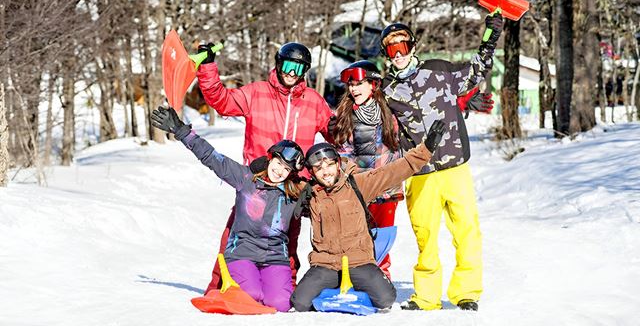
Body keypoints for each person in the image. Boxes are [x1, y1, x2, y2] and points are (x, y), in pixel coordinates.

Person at [378, 14, 503, 312]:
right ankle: (426, 297)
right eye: (391, 50)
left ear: (412, 46)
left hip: (454, 164)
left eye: (402, 46)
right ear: (386, 55)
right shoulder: (386, 91)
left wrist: (491, 36)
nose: (398, 54)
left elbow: (476, 71)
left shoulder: (438, 70)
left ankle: (466, 292)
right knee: (425, 235)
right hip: (419, 172)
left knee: (466, 230)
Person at [195, 41, 334, 294]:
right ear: (279, 63)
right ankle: (219, 288)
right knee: (235, 236)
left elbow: (337, 134)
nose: (292, 73)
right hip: (257, 182)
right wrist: (207, 68)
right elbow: (222, 101)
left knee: (287, 241)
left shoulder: (313, 102)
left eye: (299, 68)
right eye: (288, 65)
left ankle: (285, 290)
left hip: (292, 188)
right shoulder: (256, 93)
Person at [150, 106, 305, 312]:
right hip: (242, 254)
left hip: (275, 258)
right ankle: (246, 283)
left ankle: (268, 285)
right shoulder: (245, 179)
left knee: (281, 304)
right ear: (270, 158)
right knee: (250, 297)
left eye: (286, 169)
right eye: (278, 163)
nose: (279, 171)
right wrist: (181, 131)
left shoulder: (294, 195)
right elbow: (212, 157)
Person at [290, 120, 447, 312]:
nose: (326, 172)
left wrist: (426, 149)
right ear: (313, 172)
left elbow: (394, 171)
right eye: (319, 169)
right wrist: (286, 163)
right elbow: (278, 178)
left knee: (386, 299)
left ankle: (356, 284)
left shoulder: (358, 185)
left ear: (338, 164)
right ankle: (334, 285)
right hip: (326, 264)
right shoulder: (310, 192)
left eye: (329, 165)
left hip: (359, 261)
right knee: (300, 303)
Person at [330, 60, 402, 279]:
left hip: (388, 191)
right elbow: (344, 154)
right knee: (357, 237)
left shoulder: (390, 112)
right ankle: (354, 278)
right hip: (360, 191)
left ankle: (381, 277)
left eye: (359, 83)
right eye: (351, 84)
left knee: (382, 238)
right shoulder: (345, 116)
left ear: (373, 85)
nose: (353, 88)